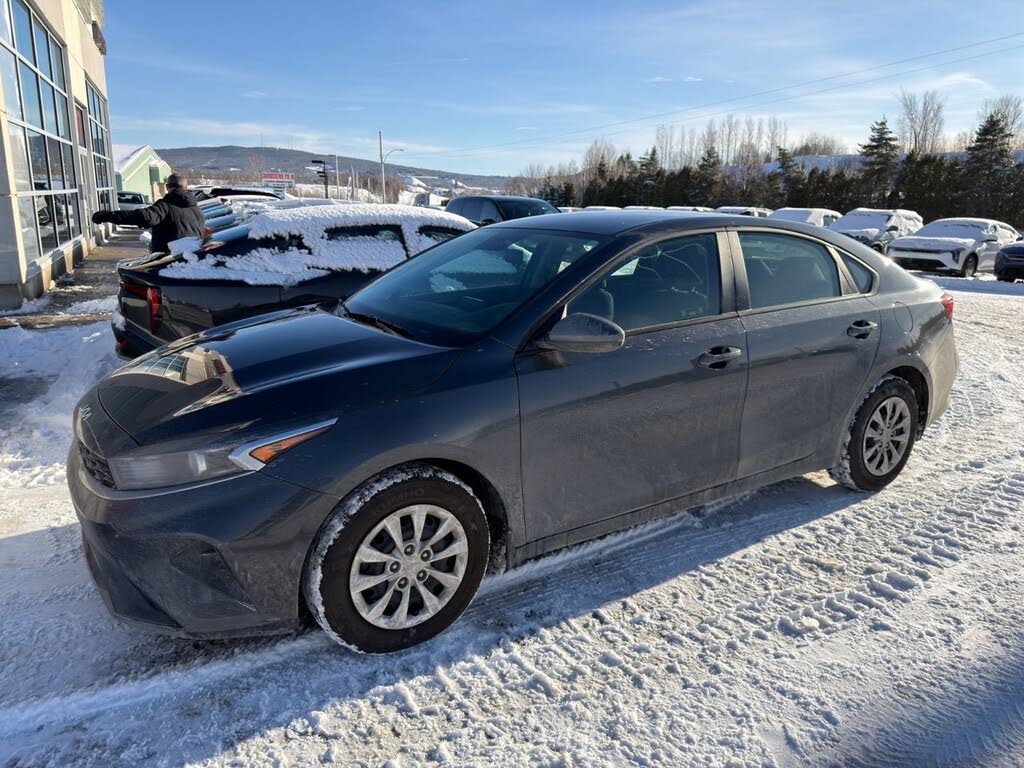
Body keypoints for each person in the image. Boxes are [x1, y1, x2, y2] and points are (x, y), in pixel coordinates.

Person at [91, 174, 205, 253]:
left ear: (167, 187)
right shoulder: (196, 208)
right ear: (185, 187)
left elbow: (143, 217)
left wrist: (107, 216)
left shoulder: (166, 205)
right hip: (191, 260)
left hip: (168, 261)